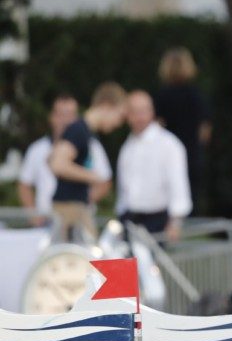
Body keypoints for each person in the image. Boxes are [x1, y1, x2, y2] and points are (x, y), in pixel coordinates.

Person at [19, 93, 112, 227]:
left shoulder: (92, 146)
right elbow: (25, 183)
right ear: (52, 117)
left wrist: (81, 200)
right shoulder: (37, 149)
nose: (65, 120)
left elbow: (104, 181)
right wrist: (33, 214)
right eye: (61, 114)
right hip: (45, 219)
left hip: (78, 217)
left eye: (70, 115)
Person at [49, 83, 126, 241]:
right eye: (119, 115)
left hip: (76, 206)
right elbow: (58, 164)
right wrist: (93, 177)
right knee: (87, 259)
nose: (118, 123)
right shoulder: (79, 130)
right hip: (70, 208)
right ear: (107, 106)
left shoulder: (84, 132)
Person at [116, 90, 192, 242]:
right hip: (130, 219)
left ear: (152, 112)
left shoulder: (168, 144)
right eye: (134, 112)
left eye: (143, 111)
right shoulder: (128, 146)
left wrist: (175, 222)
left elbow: (178, 184)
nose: (139, 117)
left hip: (157, 220)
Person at [153, 47, 211, 214]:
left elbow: (158, 127)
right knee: (191, 197)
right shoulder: (196, 95)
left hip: (167, 156)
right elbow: (204, 130)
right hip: (192, 153)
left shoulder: (163, 96)